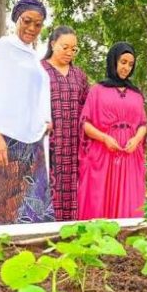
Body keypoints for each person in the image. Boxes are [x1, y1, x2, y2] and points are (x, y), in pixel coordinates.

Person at [0, 0, 54, 225]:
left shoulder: (31, 55)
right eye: (27, 21)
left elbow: (31, 93)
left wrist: (43, 121)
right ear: (16, 19)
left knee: (32, 200)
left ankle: (26, 252)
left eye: (38, 24)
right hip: (4, 136)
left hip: (30, 138)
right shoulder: (4, 48)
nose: (32, 28)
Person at [77, 42, 147, 219]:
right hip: (103, 152)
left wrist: (136, 139)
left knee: (129, 201)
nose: (126, 68)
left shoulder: (136, 94)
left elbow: (143, 124)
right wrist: (105, 138)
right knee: (99, 199)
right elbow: (85, 124)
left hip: (129, 154)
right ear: (113, 61)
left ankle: (126, 242)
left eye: (131, 64)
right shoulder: (97, 91)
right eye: (123, 62)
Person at [42, 26, 89, 221]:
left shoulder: (80, 75)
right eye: (65, 47)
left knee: (74, 189)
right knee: (47, 187)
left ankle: (71, 234)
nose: (70, 52)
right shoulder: (39, 70)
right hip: (47, 143)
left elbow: (88, 108)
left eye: (74, 49)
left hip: (74, 145)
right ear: (53, 44)